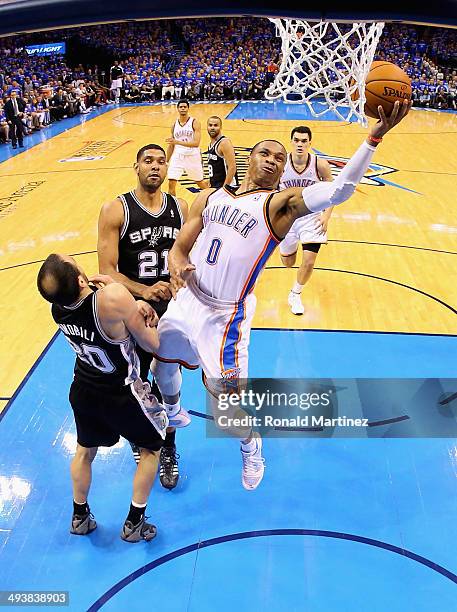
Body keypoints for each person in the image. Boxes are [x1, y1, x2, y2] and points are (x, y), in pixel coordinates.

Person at [151, 100, 411, 491]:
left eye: (278, 156)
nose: (272, 160)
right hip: (187, 298)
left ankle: (251, 446)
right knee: (162, 361)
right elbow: (181, 245)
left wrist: (374, 136)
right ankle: (172, 412)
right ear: (247, 159)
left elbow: (341, 189)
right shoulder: (211, 198)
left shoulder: (277, 205)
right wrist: (175, 260)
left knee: (226, 408)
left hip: (225, 317)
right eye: (264, 153)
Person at [36, 254, 168, 542]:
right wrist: (145, 314)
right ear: (82, 279)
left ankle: (79, 516)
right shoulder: (112, 298)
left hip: (83, 389)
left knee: (84, 451)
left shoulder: (58, 309)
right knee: (150, 451)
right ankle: (134, 523)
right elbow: (151, 343)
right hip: (122, 393)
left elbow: (97, 311)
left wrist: (124, 300)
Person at [97, 144, 188, 489]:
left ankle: (167, 445)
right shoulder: (115, 210)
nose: (155, 167)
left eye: (160, 161)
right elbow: (106, 271)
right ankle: (145, 437)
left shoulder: (180, 207)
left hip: (172, 310)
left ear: (167, 168)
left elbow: (187, 259)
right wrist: (143, 291)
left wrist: (179, 281)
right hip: (133, 310)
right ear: (135, 166)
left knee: (168, 381)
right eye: (147, 161)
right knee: (137, 384)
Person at [279, 126, 333, 315]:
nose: (300, 144)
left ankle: (296, 293)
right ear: (291, 141)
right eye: (297, 140)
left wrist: (326, 215)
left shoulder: (320, 165)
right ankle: (285, 251)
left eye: (304, 141)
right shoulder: (281, 162)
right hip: (286, 216)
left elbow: (332, 192)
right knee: (288, 262)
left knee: (309, 261)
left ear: (310, 143)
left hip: (312, 216)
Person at [166, 99, 208, 195]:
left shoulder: (194, 122)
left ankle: (212, 199)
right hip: (178, 155)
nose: (183, 109)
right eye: (181, 107)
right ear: (178, 109)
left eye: (185, 107)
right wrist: (166, 161)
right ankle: (173, 206)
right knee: (171, 182)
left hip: (192, 155)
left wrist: (177, 142)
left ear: (188, 108)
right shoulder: (174, 125)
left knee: (199, 182)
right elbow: (172, 145)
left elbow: (196, 143)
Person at [206, 116, 238, 189]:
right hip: (216, 186)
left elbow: (232, 167)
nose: (212, 127)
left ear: (220, 127)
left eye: (216, 125)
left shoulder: (224, 143)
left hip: (228, 187)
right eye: (210, 125)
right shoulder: (211, 145)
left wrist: (225, 188)